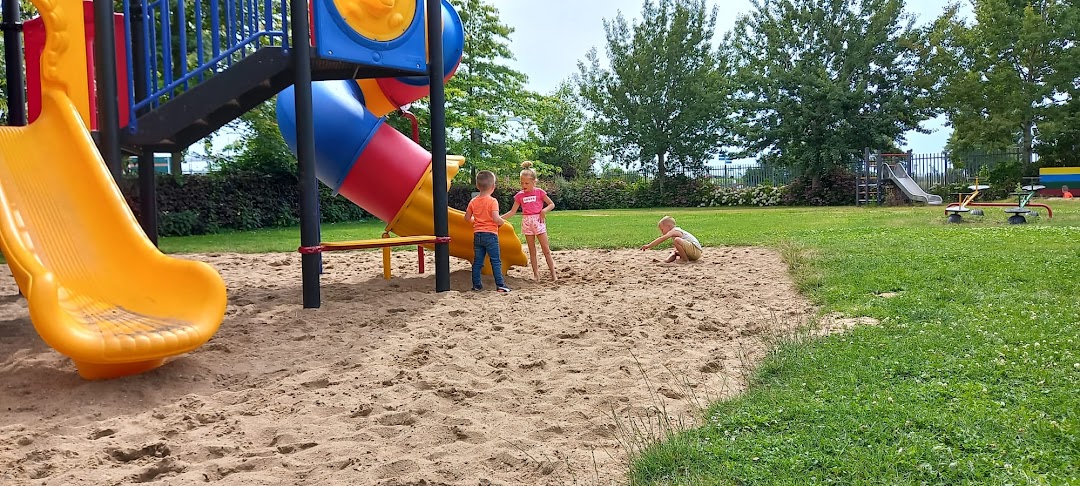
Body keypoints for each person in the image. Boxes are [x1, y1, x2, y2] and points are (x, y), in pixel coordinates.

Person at [502, 161, 557, 281]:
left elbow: (551, 204)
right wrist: (498, 219)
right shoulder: (519, 196)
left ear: (534, 182)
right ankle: (536, 274)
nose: (523, 185)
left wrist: (544, 211)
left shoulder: (539, 192)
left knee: (546, 249)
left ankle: (553, 274)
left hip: (538, 221)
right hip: (527, 223)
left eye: (526, 183)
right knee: (532, 250)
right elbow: (512, 212)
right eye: (521, 183)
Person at [464, 170, 511, 292]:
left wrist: (477, 221)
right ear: (493, 186)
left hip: (477, 235)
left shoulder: (473, 201)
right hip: (491, 235)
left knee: (478, 261)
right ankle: (500, 284)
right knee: (495, 261)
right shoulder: (492, 201)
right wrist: (502, 222)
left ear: (477, 186)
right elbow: (496, 218)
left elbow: (467, 219)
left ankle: (477, 285)